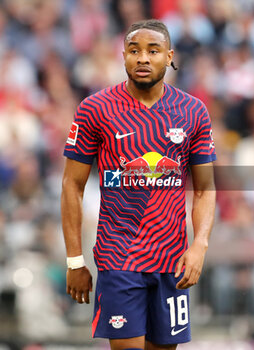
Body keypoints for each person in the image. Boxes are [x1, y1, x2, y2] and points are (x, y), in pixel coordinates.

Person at [61, 19, 216, 350]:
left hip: (172, 261)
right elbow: (72, 186)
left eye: (153, 50)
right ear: (123, 56)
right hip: (120, 258)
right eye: (134, 50)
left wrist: (200, 245)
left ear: (170, 56)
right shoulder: (96, 109)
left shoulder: (193, 112)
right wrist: (75, 260)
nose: (142, 58)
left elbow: (205, 189)